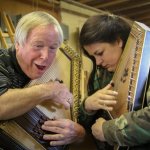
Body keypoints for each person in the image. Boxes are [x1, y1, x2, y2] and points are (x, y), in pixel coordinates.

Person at [0, 11, 85, 149]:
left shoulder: (59, 70)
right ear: (18, 44)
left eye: (52, 48)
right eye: (38, 45)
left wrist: (78, 133)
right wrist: (48, 90)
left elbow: (79, 132)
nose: (45, 56)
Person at [78, 13, 150, 150]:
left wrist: (108, 131)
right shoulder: (104, 72)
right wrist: (87, 106)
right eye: (93, 57)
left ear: (118, 41)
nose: (98, 62)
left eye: (100, 53)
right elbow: (89, 125)